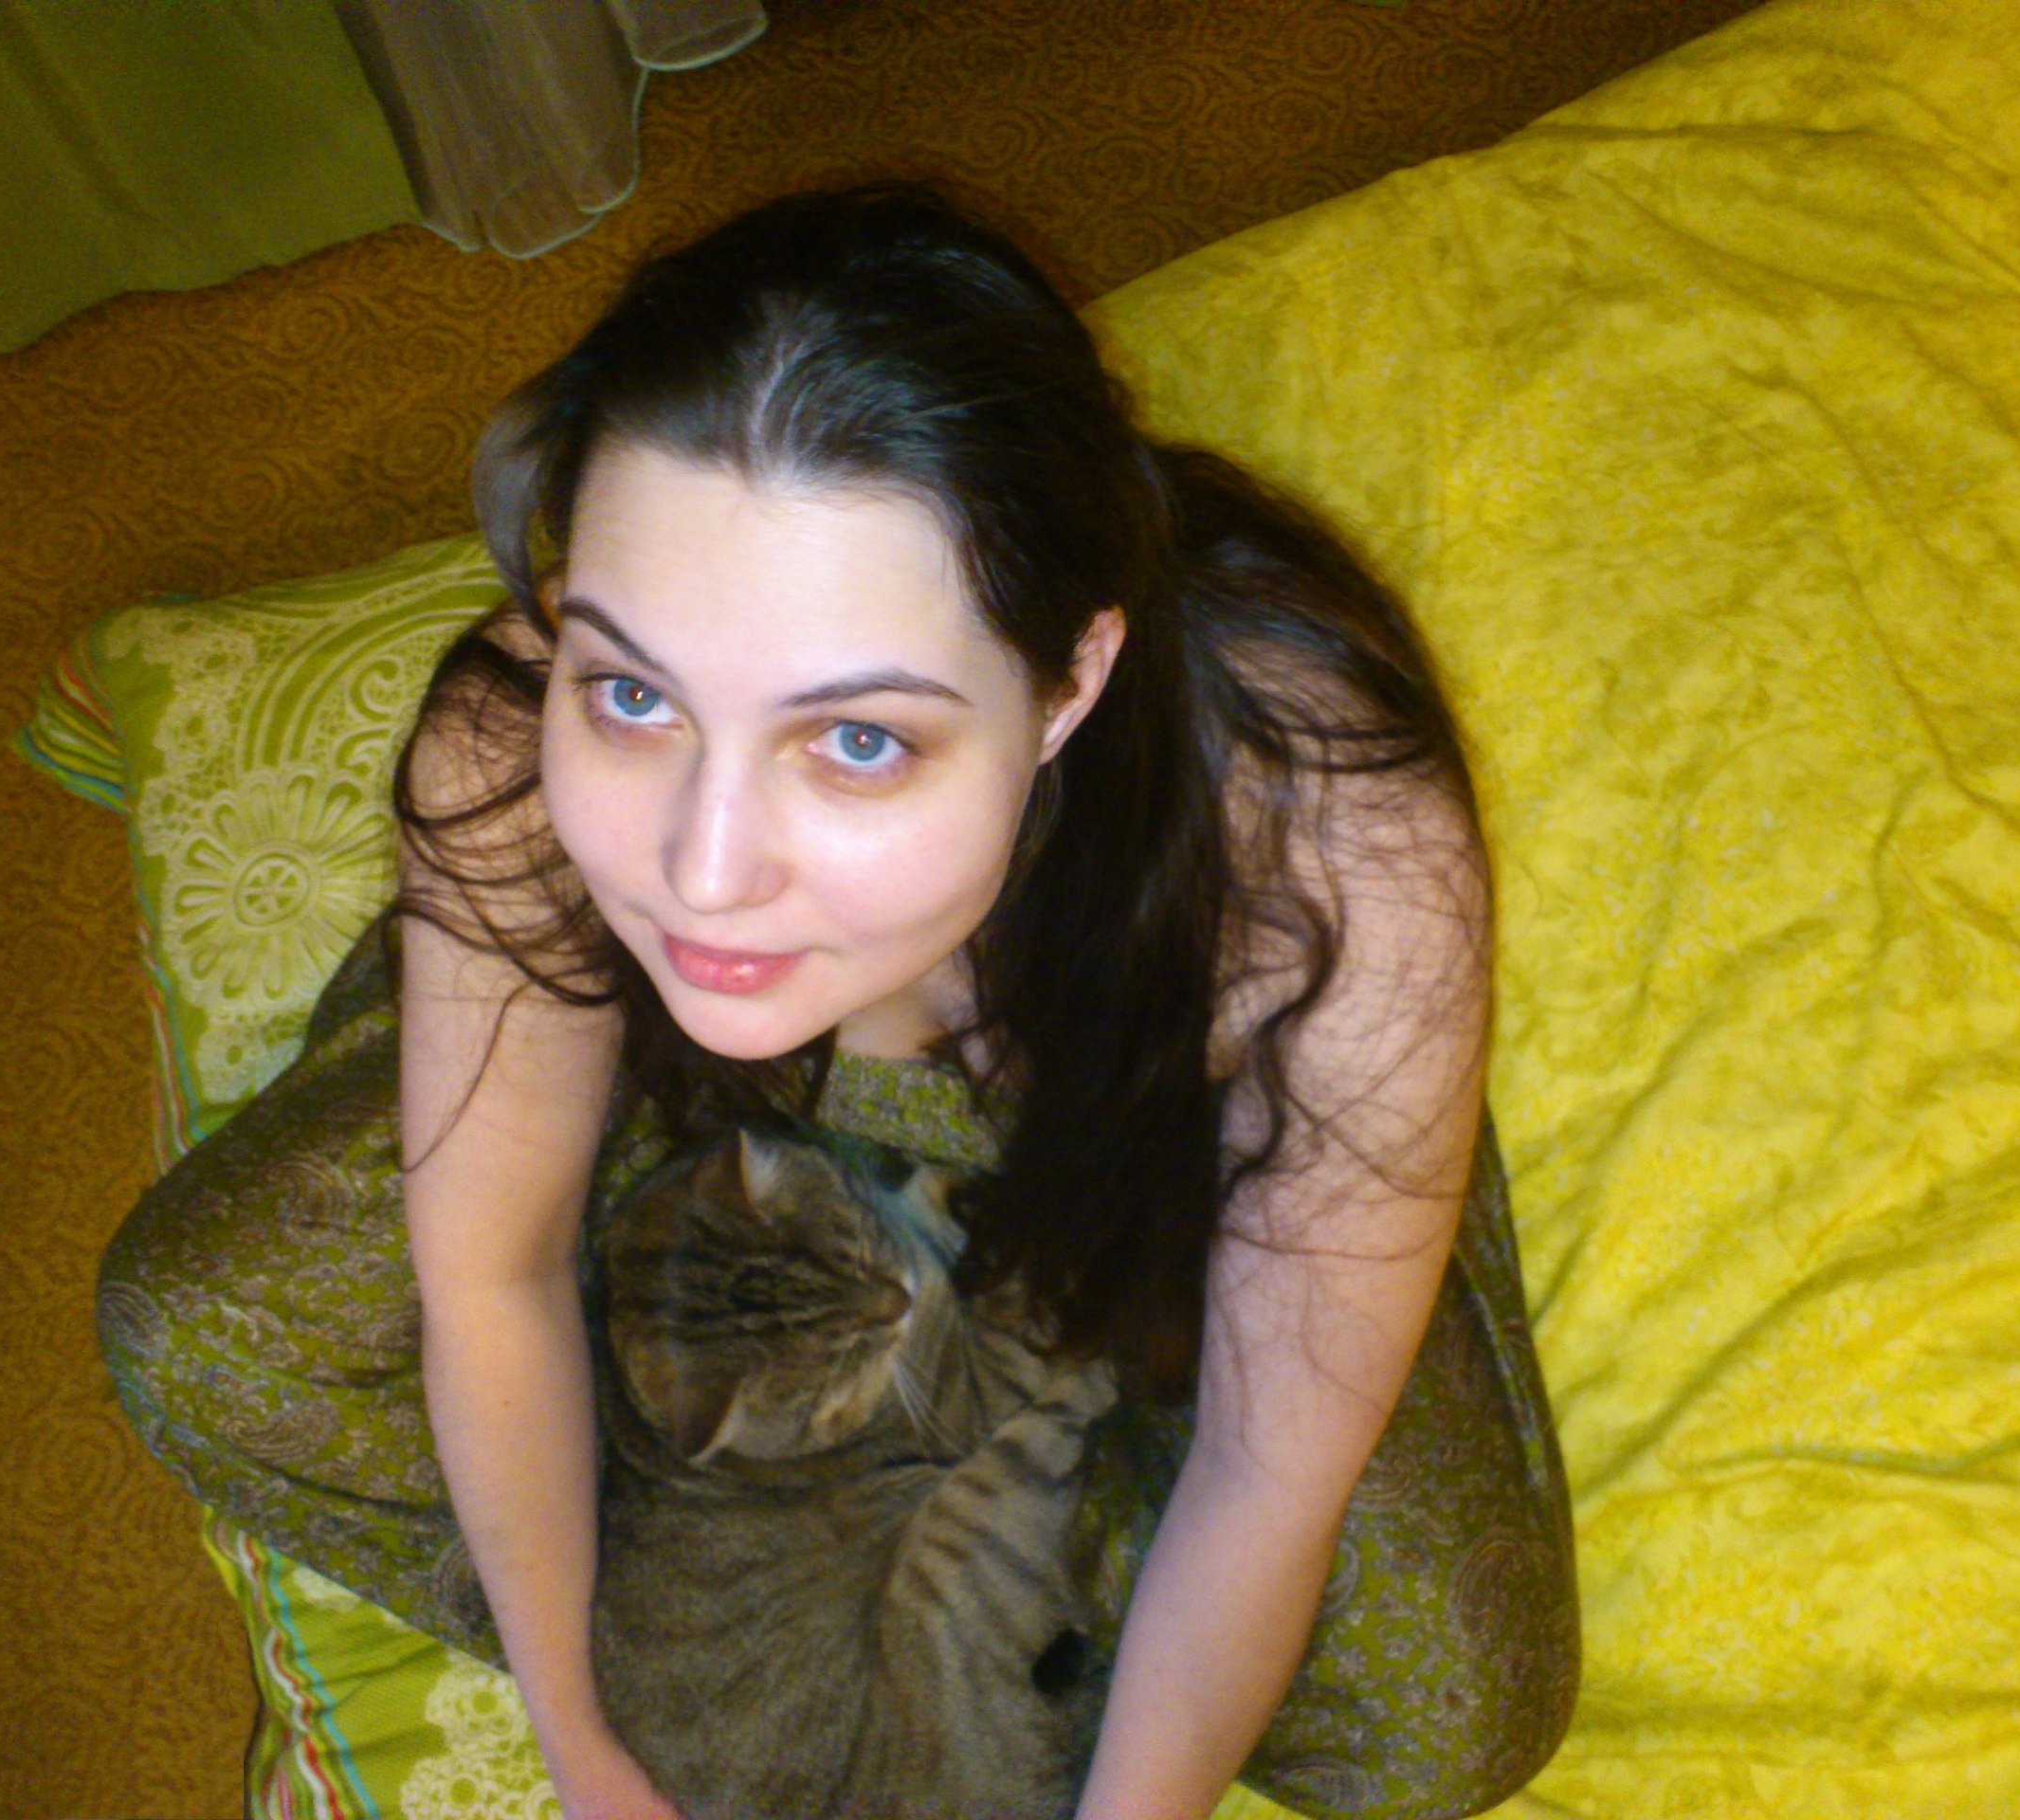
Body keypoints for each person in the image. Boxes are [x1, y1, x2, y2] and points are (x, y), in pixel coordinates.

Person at [102, 181, 1577, 1820]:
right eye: (634, 691)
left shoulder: (1325, 835)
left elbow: (1270, 1472)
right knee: (210, 1335)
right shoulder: (518, 757)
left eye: (857, 739)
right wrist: (594, 1739)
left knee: (1437, 1723)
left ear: (1069, 686)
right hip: (663, 1091)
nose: (703, 869)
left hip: (1124, 1179)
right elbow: (492, 1274)